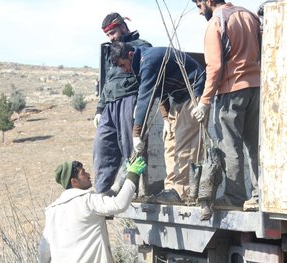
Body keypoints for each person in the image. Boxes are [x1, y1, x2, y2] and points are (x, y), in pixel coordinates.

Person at [110, 42, 205, 204]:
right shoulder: (143, 63)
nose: (125, 69)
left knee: (184, 144)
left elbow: (145, 97)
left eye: (123, 65)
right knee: (169, 144)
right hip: (179, 97)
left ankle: (182, 191)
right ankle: (171, 189)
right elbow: (159, 90)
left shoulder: (148, 60)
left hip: (193, 92)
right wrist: (166, 118)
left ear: (130, 55)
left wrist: (136, 133)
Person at [191, 0, 261, 211]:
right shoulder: (250, 16)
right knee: (255, 145)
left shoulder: (216, 22)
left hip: (231, 91)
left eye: (198, 5)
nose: (199, 10)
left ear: (209, 1)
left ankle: (234, 196)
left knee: (230, 145)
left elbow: (214, 66)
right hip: (257, 87)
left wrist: (205, 101)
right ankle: (260, 195)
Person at [38, 157, 146, 263]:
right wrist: (133, 175)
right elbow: (119, 204)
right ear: (74, 181)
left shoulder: (52, 210)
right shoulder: (88, 200)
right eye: (83, 173)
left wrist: (120, 180)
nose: (88, 175)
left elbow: (44, 249)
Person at [93, 12, 151, 193]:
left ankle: (132, 192)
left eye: (113, 33)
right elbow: (107, 81)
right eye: (108, 35)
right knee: (102, 148)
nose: (111, 38)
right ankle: (102, 194)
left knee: (130, 147)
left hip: (129, 99)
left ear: (124, 28)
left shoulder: (142, 47)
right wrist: (99, 109)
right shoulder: (110, 51)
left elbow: (147, 79)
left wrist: (138, 107)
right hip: (109, 105)